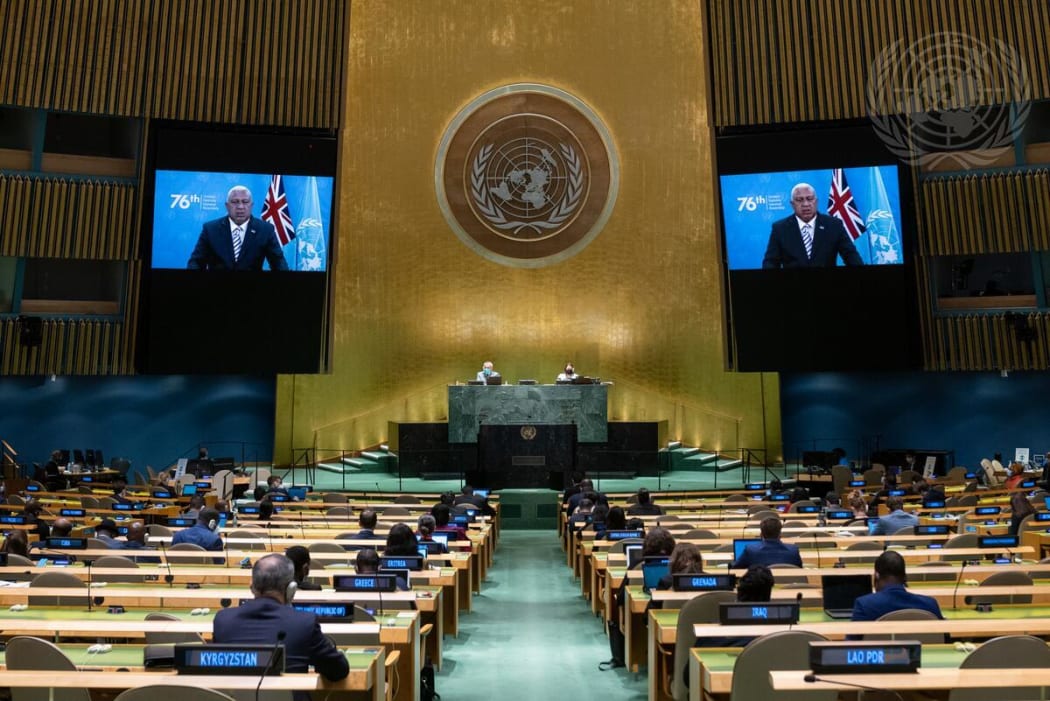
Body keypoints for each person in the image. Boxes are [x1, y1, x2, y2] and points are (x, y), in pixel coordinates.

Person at [213, 554, 348, 701]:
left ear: (252, 587)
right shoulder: (304, 622)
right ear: (292, 589)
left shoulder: (222, 620)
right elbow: (338, 671)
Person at [187, 185, 289, 271]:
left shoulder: (265, 230)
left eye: (245, 202)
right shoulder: (210, 229)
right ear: (227, 206)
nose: (240, 207)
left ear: (251, 205)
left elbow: (279, 263)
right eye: (235, 202)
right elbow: (196, 262)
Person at [762, 183, 864, 269]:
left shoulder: (834, 225)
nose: (806, 204)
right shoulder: (780, 228)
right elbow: (770, 262)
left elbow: (851, 257)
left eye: (810, 199)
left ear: (816, 201)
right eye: (800, 200)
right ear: (792, 204)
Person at [851, 550, 943, 622]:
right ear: (905, 576)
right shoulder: (930, 604)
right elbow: (944, 639)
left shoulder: (864, 605)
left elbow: (853, 644)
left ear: (877, 575)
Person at [732, 517, 802, 568]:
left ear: (761, 534)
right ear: (780, 534)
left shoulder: (751, 550)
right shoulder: (793, 550)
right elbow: (800, 571)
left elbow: (735, 568)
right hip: (788, 586)